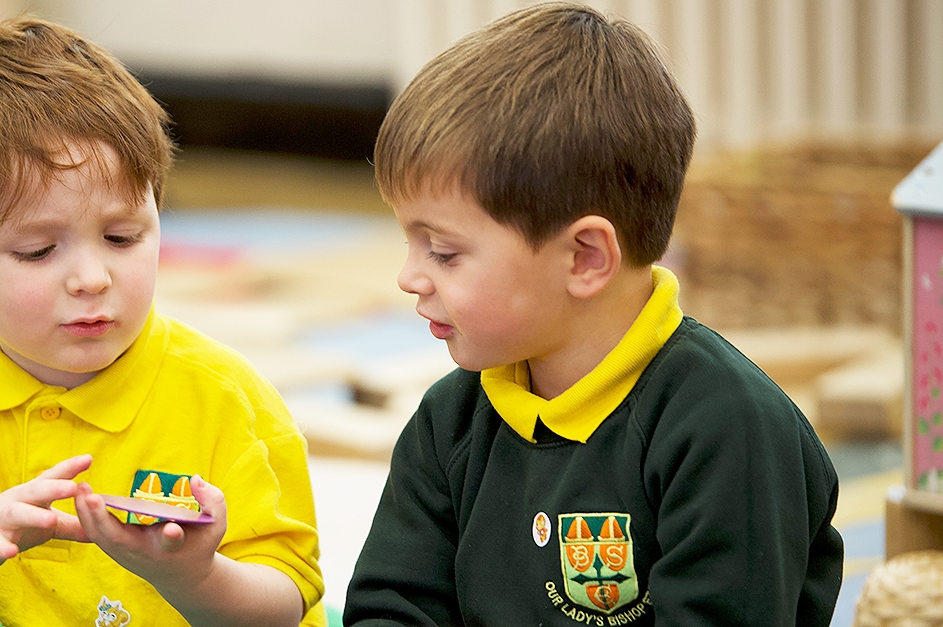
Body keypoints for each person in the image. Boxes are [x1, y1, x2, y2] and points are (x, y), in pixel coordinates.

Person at [343, 4, 843, 626]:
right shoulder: (450, 422)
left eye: (443, 252)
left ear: (584, 257)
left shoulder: (726, 429)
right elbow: (392, 608)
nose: (409, 277)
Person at [0, 17, 325, 627]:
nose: (91, 278)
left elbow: (287, 605)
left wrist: (194, 576)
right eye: (39, 251)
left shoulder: (224, 399)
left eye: (122, 237)